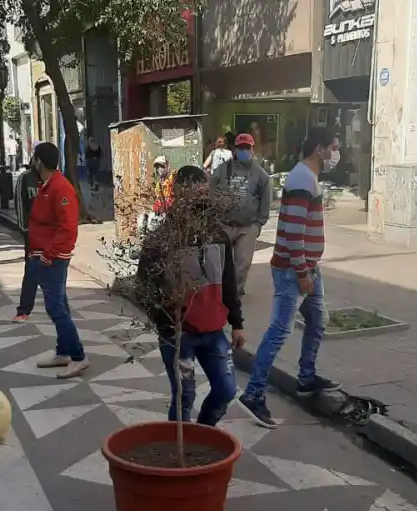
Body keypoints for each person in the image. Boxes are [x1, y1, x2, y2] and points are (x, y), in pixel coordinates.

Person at [237, 127, 342, 429]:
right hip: (293, 270)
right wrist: (301, 271)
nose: (337, 154)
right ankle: (253, 394)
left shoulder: (306, 178)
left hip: (308, 267)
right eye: (333, 147)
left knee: (317, 321)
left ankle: (306, 378)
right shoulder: (301, 178)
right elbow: (294, 232)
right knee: (280, 331)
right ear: (319, 149)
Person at [136, 166, 246, 425]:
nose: (201, 196)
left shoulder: (218, 235)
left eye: (203, 189)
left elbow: (229, 283)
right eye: (194, 190)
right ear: (179, 194)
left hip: (214, 331)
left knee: (226, 389)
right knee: (185, 395)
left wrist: (238, 323)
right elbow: (144, 286)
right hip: (179, 335)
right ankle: (180, 449)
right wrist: (165, 323)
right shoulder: (162, 239)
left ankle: (202, 433)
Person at [26, 142, 89, 378]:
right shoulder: (48, 186)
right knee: (59, 305)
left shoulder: (60, 188)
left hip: (52, 258)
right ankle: (63, 352)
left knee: (56, 309)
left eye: (34, 158)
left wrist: (47, 255)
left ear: (39, 161)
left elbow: (67, 228)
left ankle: (79, 356)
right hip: (46, 255)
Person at [211, 133, 271, 296]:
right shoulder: (224, 169)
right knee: (220, 263)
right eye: (241, 148)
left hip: (248, 226)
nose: (244, 151)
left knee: (242, 263)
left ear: (252, 149)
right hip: (225, 223)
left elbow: (266, 199)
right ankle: (221, 292)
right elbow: (210, 188)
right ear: (235, 150)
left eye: (247, 148)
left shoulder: (260, 174)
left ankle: (234, 294)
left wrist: (259, 224)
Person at [13, 153, 43, 322]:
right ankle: (24, 309)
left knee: (56, 275)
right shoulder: (26, 178)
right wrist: (25, 229)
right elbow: (20, 204)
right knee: (31, 271)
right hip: (32, 234)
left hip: (52, 237)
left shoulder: (55, 179)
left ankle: (61, 308)